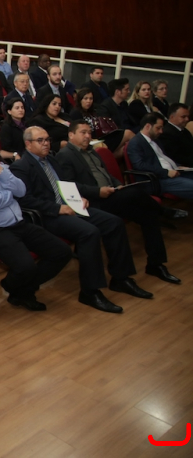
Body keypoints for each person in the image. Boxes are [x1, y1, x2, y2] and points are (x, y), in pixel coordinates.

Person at [11, 126, 150, 313]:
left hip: (71, 206)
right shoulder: (21, 167)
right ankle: (90, 292)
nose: (46, 144)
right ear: (28, 144)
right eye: (40, 140)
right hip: (49, 215)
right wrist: (58, 208)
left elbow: (66, 185)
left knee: (114, 223)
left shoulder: (51, 159)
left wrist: (78, 198)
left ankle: (121, 278)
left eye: (47, 139)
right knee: (89, 233)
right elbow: (25, 200)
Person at [0, 130, 72, 311]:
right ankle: (19, 289)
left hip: (19, 223)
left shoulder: (0, 168)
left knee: (62, 252)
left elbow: (22, 190)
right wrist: (10, 193)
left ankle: (19, 288)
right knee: (26, 266)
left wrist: (0, 172)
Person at [56, 120, 183, 285]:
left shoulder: (92, 152)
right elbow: (70, 186)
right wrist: (98, 191)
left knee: (148, 215)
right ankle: (162, 211)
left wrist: (117, 184)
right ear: (71, 135)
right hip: (94, 202)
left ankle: (156, 264)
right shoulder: (65, 155)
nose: (88, 136)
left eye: (89, 132)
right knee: (136, 193)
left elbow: (107, 175)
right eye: (83, 132)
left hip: (112, 195)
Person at [127, 112, 193, 199]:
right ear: (148, 126)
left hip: (174, 172)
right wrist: (166, 172)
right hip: (158, 179)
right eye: (158, 128)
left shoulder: (156, 140)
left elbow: (164, 158)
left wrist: (178, 166)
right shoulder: (136, 142)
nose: (161, 131)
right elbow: (140, 165)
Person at [69, 88, 130, 157]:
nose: (88, 101)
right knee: (123, 143)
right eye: (85, 99)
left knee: (127, 141)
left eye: (91, 99)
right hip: (90, 139)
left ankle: (112, 158)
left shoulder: (93, 111)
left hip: (100, 137)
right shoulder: (76, 113)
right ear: (80, 100)